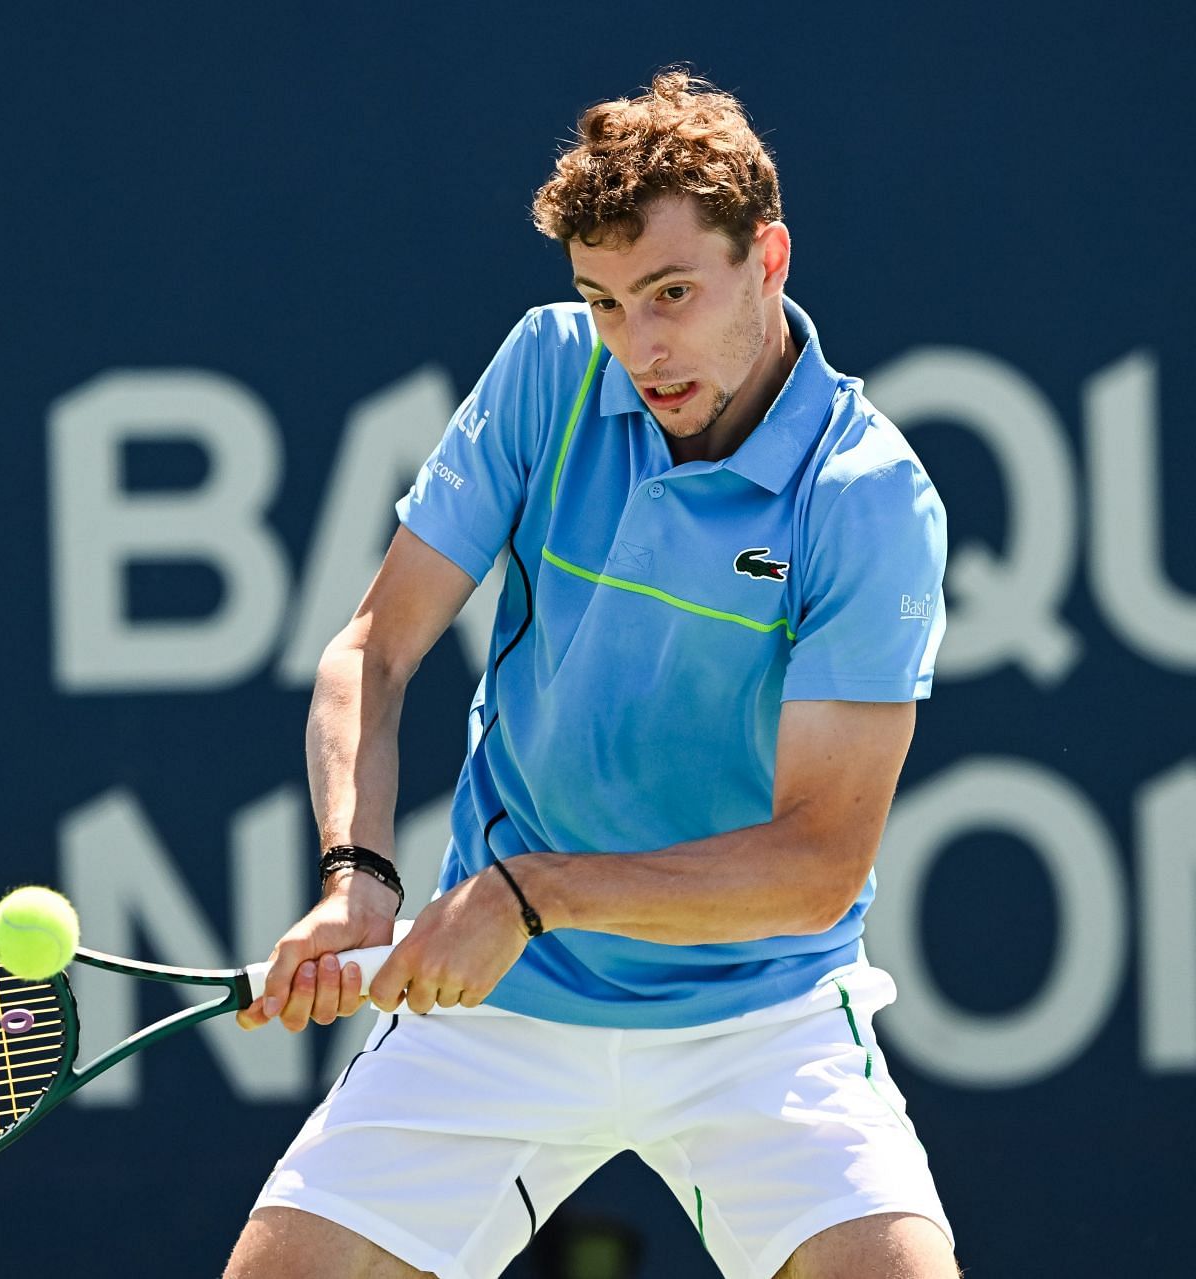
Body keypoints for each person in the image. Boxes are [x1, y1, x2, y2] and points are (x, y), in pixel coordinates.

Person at [226, 71, 956, 1279]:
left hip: (759, 1021)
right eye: (606, 303)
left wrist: (527, 892)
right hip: (501, 1012)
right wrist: (358, 874)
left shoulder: (865, 496)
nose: (640, 348)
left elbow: (819, 864)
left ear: (767, 259)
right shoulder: (548, 372)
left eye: (673, 294)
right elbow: (376, 645)